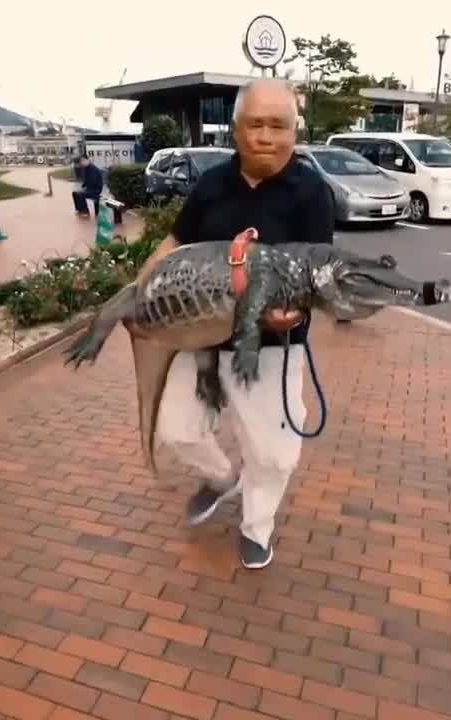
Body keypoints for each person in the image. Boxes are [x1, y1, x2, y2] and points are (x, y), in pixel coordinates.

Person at [131, 78, 334, 569]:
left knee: (274, 454)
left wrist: (298, 309)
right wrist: (145, 282)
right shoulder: (212, 182)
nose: (265, 136)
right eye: (254, 124)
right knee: (177, 430)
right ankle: (223, 479)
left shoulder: (313, 193)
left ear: (294, 129)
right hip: (200, 336)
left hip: (270, 345)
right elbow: (177, 240)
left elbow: (317, 271)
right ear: (235, 128)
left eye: (278, 126)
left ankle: (257, 526)